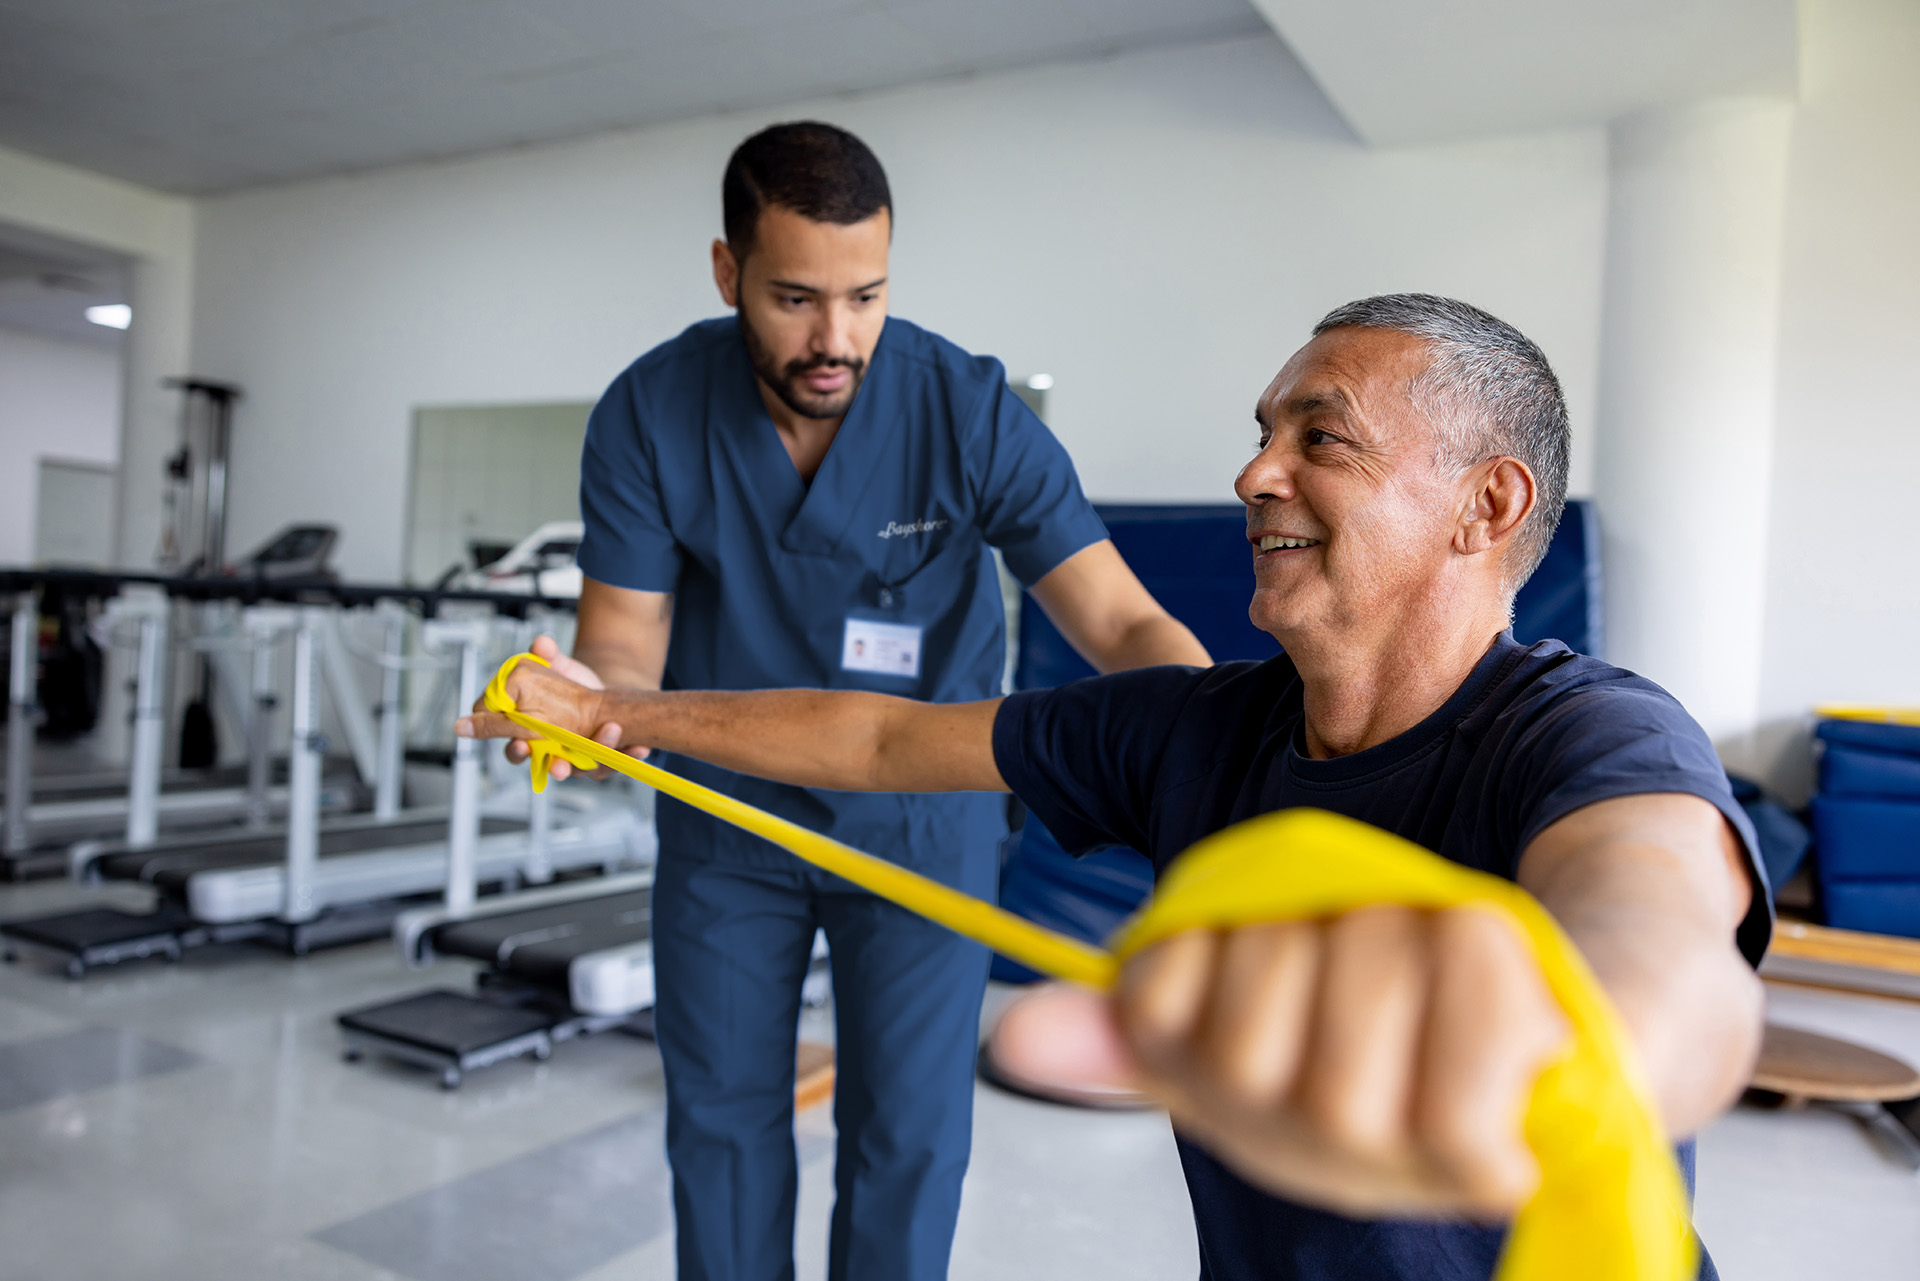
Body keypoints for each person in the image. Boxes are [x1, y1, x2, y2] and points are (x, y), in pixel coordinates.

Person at [466, 293, 1772, 1280]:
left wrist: (1557, 1023)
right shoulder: (1190, 733)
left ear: (1486, 505)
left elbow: (1659, 939)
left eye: (1324, 437)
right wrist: (613, 709)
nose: (1257, 473)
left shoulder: (1588, 732)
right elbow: (876, 743)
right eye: (1263, 433)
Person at [543, 120, 1209, 1281]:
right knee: (719, 1125)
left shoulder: (968, 410)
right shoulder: (652, 411)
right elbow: (622, 641)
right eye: (795, 297)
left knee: (907, 1141)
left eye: (866, 297)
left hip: (923, 820)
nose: (835, 338)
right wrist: (586, 703)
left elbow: (1115, 618)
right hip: (727, 824)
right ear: (726, 271)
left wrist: (1221, 736)